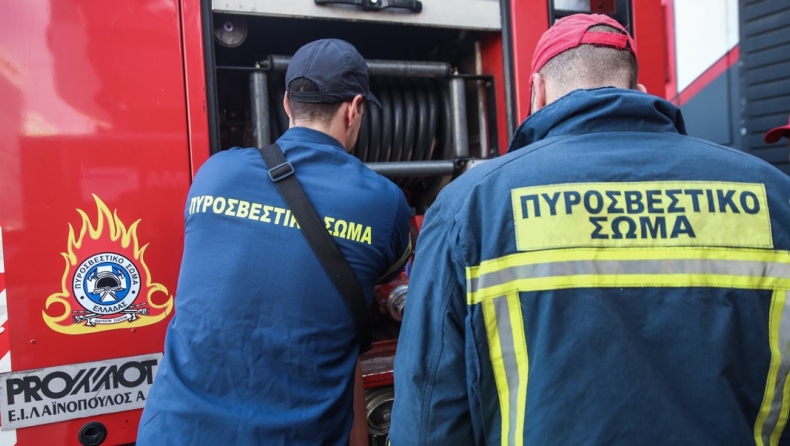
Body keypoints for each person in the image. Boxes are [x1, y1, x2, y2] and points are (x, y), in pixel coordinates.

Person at [390, 13, 790, 445]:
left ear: (538, 92)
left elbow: (428, 419)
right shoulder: (774, 194)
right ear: (639, 92)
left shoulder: (468, 207)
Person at [137, 38, 412, 445]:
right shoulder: (384, 202)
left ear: (287, 103)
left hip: (173, 432)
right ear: (354, 109)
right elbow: (382, 279)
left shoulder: (214, 172)